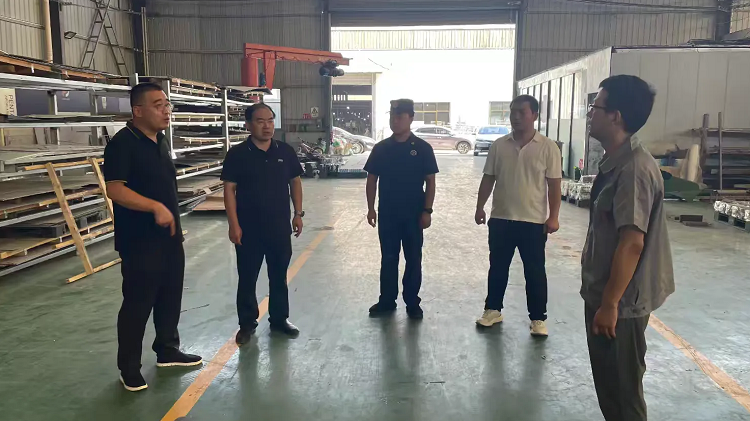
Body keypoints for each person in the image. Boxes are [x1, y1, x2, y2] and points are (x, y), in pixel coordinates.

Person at [582, 75, 674, 421]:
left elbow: (632, 242)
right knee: (611, 389)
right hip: (610, 296)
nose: (590, 113)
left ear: (615, 116)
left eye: (596, 106)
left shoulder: (633, 169)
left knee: (623, 395)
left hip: (620, 304)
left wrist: (609, 304)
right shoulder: (617, 162)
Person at [104, 83, 202, 393]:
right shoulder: (123, 143)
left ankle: (167, 350)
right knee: (138, 304)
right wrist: (155, 207)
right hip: (140, 241)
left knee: (170, 296)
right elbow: (115, 189)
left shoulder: (160, 140)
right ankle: (129, 368)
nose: (166, 110)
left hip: (169, 237)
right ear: (138, 110)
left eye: (167, 105)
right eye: (158, 105)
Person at [474, 95, 562, 337]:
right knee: (498, 267)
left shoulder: (548, 147)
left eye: (522, 112)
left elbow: (554, 185)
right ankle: (493, 309)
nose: (516, 116)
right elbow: (488, 178)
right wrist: (480, 206)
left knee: (534, 271)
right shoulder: (499, 146)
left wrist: (553, 216)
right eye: (513, 111)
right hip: (501, 218)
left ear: (534, 115)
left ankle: (538, 318)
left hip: (533, 222)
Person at [221, 103, 305, 344]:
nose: (267, 126)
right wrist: (233, 224)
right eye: (260, 121)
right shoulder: (237, 154)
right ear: (248, 125)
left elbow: (295, 182)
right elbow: (229, 190)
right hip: (248, 229)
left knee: (278, 276)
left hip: (279, 227)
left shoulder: (285, 151)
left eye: (270, 120)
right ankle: (247, 324)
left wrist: (298, 213)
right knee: (247, 278)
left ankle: (279, 319)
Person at [365, 99, 439, 320]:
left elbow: (430, 182)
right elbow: (371, 180)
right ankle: (387, 301)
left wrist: (427, 211)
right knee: (388, 258)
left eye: (399, 117)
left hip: (414, 215)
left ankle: (412, 302)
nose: (395, 121)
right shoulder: (381, 148)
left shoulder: (422, 148)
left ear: (411, 118)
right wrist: (371, 209)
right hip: (388, 214)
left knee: (413, 259)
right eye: (392, 117)